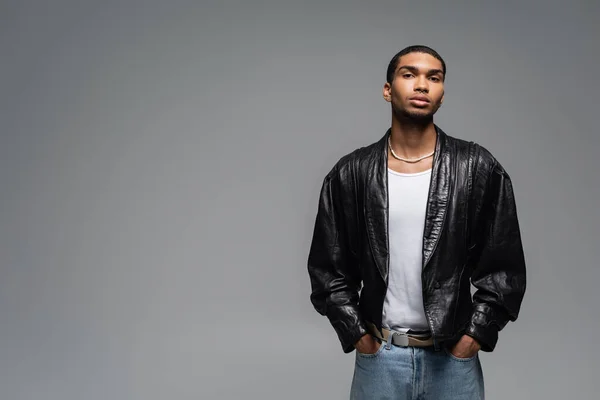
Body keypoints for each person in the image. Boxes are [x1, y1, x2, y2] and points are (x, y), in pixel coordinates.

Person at [306, 45, 527, 400]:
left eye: (433, 77)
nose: (421, 85)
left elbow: (505, 271)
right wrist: (360, 338)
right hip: (380, 357)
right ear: (388, 89)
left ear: (441, 94)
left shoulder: (477, 168)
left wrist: (473, 339)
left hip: (454, 361)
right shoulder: (352, 173)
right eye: (409, 74)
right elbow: (327, 271)